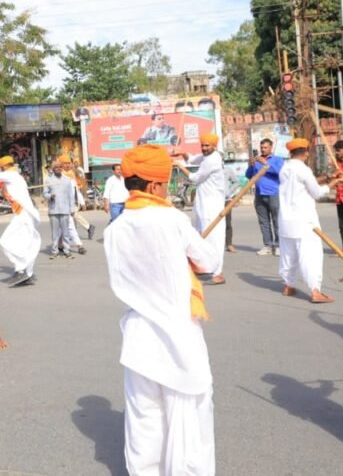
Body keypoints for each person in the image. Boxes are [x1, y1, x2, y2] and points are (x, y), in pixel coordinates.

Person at [103, 144, 219, 476]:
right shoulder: (171, 218)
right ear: (155, 186)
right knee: (189, 425)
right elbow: (208, 261)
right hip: (179, 334)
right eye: (165, 184)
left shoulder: (114, 231)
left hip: (139, 338)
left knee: (144, 425)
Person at [278, 138, 341, 304]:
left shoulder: (285, 168)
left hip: (286, 220)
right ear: (306, 153)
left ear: (290, 152)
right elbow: (317, 193)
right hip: (304, 221)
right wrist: (333, 184)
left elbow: (305, 184)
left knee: (288, 255)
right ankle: (315, 290)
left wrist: (327, 177)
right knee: (310, 256)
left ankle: (288, 285)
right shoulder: (303, 169)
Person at [0, 156, 41, 287]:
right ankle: (28, 273)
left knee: (4, 242)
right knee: (24, 244)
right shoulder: (14, 177)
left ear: (3, 166)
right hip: (24, 214)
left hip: (23, 214)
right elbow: (7, 193)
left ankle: (20, 270)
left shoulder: (11, 175)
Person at [175, 133, 227, 286]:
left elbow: (194, 178)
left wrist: (179, 166)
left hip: (212, 205)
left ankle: (218, 273)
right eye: (202, 145)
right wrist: (182, 154)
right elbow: (192, 159)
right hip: (203, 204)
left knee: (214, 239)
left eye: (207, 146)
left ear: (214, 146)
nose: (204, 148)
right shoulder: (207, 156)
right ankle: (205, 268)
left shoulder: (213, 160)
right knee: (201, 237)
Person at [246, 138, 284, 257]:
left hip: (274, 193)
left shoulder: (278, 160)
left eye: (265, 147)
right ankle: (267, 245)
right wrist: (251, 165)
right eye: (262, 148)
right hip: (259, 194)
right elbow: (248, 175)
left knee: (276, 220)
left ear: (271, 148)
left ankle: (278, 245)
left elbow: (280, 172)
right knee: (263, 222)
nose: (263, 150)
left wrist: (265, 163)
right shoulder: (257, 161)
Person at [43, 159, 83, 258]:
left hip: (65, 210)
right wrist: (49, 196)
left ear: (62, 168)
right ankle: (54, 252)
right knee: (55, 233)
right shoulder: (48, 180)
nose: (58, 169)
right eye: (56, 167)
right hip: (53, 210)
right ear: (53, 169)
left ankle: (67, 251)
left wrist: (71, 209)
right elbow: (44, 193)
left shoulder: (67, 180)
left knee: (66, 233)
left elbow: (70, 195)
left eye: (59, 167)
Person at [59, 155, 96, 240]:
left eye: (68, 163)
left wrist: (82, 202)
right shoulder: (59, 174)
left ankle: (88, 227)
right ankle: (80, 231)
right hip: (64, 200)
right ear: (60, 164)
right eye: (65, 163)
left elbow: (76, 189)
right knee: (72, 216)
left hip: (73, 200)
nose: (67, 165)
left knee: (73, 214)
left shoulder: (71, 174)